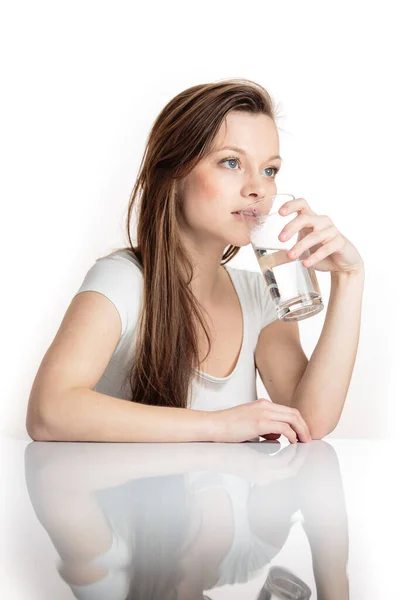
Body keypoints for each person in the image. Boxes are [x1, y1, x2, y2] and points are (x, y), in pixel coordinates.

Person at [25, 78, 365, 444]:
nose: (259, 188)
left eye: (270, 170)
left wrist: (349, 277)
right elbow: (47, 412)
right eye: (232, 162)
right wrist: (218, 425)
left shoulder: (260, 295)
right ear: (174, 174)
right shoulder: (123, 281)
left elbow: (308, 423)